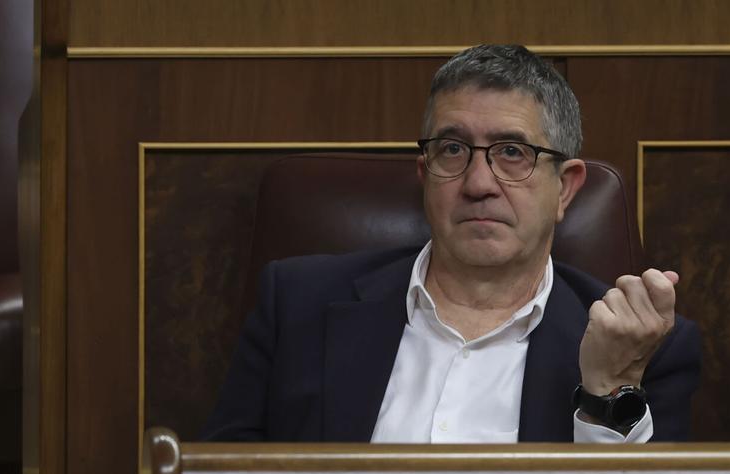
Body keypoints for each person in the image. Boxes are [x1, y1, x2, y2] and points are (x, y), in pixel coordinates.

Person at [202, 44, 700, 443]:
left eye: (511, 152)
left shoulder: (646, 347)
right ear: (426, 175)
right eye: (454, 149)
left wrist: (609, 388)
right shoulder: (296, 305)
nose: (478, 182)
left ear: (565, 187)